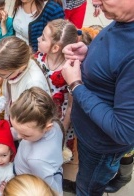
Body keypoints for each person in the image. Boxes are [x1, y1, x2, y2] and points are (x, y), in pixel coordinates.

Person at [61, 0, 134, 195]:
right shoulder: (124, 18)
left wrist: (76, 85)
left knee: (88, 188)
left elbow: (124, 130)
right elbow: (115, 62)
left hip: (100, 147)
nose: (94, 1)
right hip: (88, 135)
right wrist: (89, 52)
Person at [36, 19, 78, 162]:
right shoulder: (38, 58)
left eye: (42, 38)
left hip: (59, 121)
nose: (37, 39)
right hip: (40, 116)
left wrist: (62, 131)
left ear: (55, 48)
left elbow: (71, 106)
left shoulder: (70, 70)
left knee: (56, 155)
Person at [10, 87, 64, 195]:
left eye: (26, 135)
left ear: (47, 127)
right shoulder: (54, 123)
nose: (19, 136)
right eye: (16, 129)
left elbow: (52, 191)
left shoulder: (37, 161)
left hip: (26, 185)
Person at [0, 36, 50, 120]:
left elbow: (31, 121)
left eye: (2, 74)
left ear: (20, 67)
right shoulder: (16, 71)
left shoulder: (34, 83)